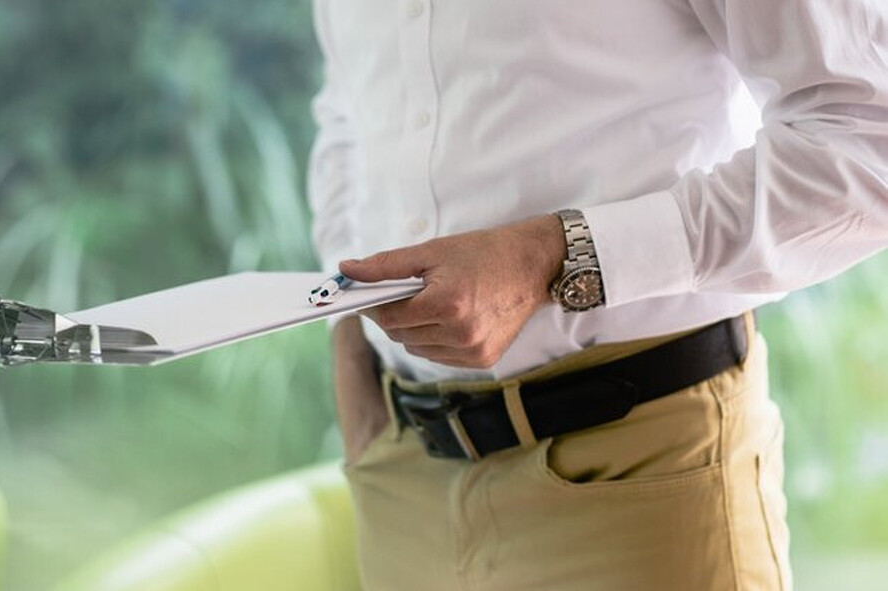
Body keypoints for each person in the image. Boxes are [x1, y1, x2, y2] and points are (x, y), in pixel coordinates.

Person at [307, 1, 888, 589]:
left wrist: (547, 257)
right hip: (404, 483)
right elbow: (347, 117)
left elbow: (866, 138)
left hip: (647, 474)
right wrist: (349, 355)